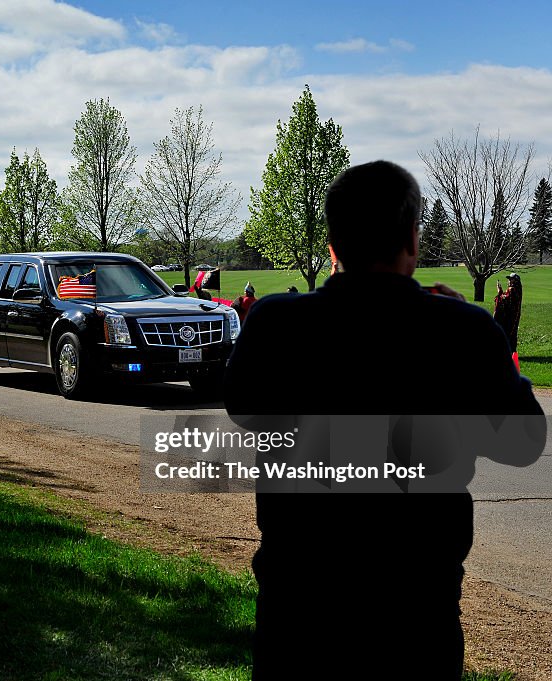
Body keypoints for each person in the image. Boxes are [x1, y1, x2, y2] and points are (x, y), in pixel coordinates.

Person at [224, 160, 544, 679]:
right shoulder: (463, 331)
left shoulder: (276, 324)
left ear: (332, 244)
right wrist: (476, 339)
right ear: (413, 241)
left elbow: (241, 406)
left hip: (298, 612)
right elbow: (523, 441)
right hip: (416, 615)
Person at [493, 272, 523, 354]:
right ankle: (511, 351)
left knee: (509, 331)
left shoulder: (512, 289)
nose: (509, 281)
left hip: (510, 315)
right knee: (512, 332)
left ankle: (508, 351)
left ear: (515, 280)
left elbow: (505, 299)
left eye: (511, 279)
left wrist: (499, 292)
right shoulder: (517, 289)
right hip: (514, 314)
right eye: (509, 279)